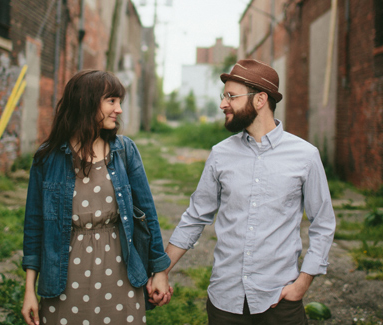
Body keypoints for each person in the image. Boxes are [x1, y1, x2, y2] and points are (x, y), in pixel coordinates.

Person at [149, 59, 336, 324]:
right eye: (223, 96)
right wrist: (162, 271)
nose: (223, 103)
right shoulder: (220, 154)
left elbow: (323, 223)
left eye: (231, 96)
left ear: (260, 100)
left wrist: (302, 283)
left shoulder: (305, 156)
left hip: (280, 301)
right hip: (225, 302)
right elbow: (195, 217)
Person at [21, 70, 171, 325]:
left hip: (121, 272)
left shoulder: (125, 151)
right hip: (64, 279)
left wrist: (160, 272)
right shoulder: (47, 158)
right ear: (86, 102)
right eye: (111, 101)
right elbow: (34, 227)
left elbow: (148, 216)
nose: (119, 109)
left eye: (119, 102)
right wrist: (29, 292)